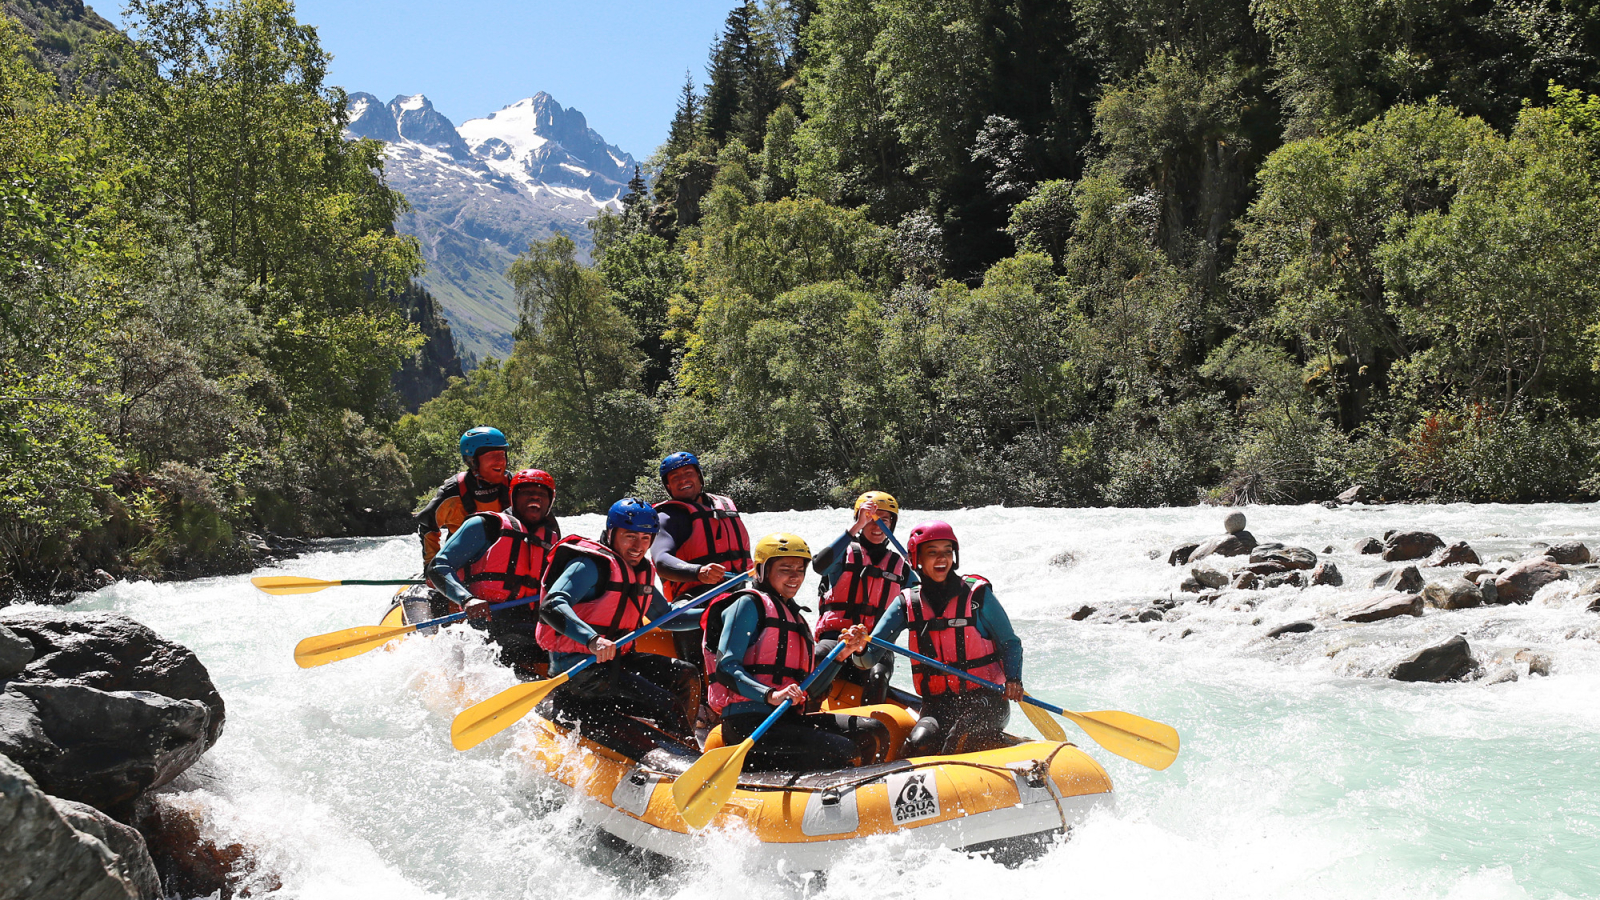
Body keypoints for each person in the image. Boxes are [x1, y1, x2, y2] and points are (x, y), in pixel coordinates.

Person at [702, 533, 890, 771]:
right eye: (785, 569)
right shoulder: (748, 604)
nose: (794, 576)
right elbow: (726, 668)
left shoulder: (796, 617)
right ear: (761, 571)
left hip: (788, 721)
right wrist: (770, 694)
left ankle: (867, 795)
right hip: (748, 725)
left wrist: (842, 654)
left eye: (800, 570)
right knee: (843, 750)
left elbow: (809, 689)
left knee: (872, 732)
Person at [535, 498, 702, 740]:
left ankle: (676, 742)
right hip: (576, 670)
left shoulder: (638, 572)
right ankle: (683, 755)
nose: (638, 546)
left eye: (646, 539)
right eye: (630, 536)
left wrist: (710, 616)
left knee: (686, 674)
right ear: (611, 533)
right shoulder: (589, 564)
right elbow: (551, 606)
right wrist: (592, 640)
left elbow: (665, 619)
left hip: (616, 661)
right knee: (666, 703)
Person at [861, 520, 1024, 757]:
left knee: (958, 741)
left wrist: (1013, 679)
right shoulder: (906, 604)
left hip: (986, 700)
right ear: (917, 559)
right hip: (938, 705)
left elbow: (1010, 643)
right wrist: (856, 647)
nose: (942, 559)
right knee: (917, 745)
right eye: (932, 552)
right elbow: (867, 659)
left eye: (947, 551)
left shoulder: (977, 596)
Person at [428, 468, 562, 678]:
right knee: (517, 647)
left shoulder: (552, 541)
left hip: (523, 624)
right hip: (480, 624)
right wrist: (467, 600)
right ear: (513, 497)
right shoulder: (485, 526)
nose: (535, 498)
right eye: (527, 492)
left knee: (565, 646)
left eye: (542, 495)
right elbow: (438, 567)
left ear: (550, 502)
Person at [811, 491, 914, 705]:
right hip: (836, 637)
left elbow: (924, 599)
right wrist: (856, 527)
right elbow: (819, 566)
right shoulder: (843, 552)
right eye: (870, 519)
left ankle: (868, 728)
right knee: (817, 659)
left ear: (892, 524)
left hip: (874, 644)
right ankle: (804, 716)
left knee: (877, 677)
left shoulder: (901, 565)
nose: (877, 526)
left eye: (884, 520)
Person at [415, 427, 513, 567]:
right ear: (471, 460)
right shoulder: (452, 492)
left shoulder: (515, 486)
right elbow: (427, 524)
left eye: (502, 455)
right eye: (491, 456)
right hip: (464, 563)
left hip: (505, 562)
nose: (500, 461)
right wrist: (431, 565)